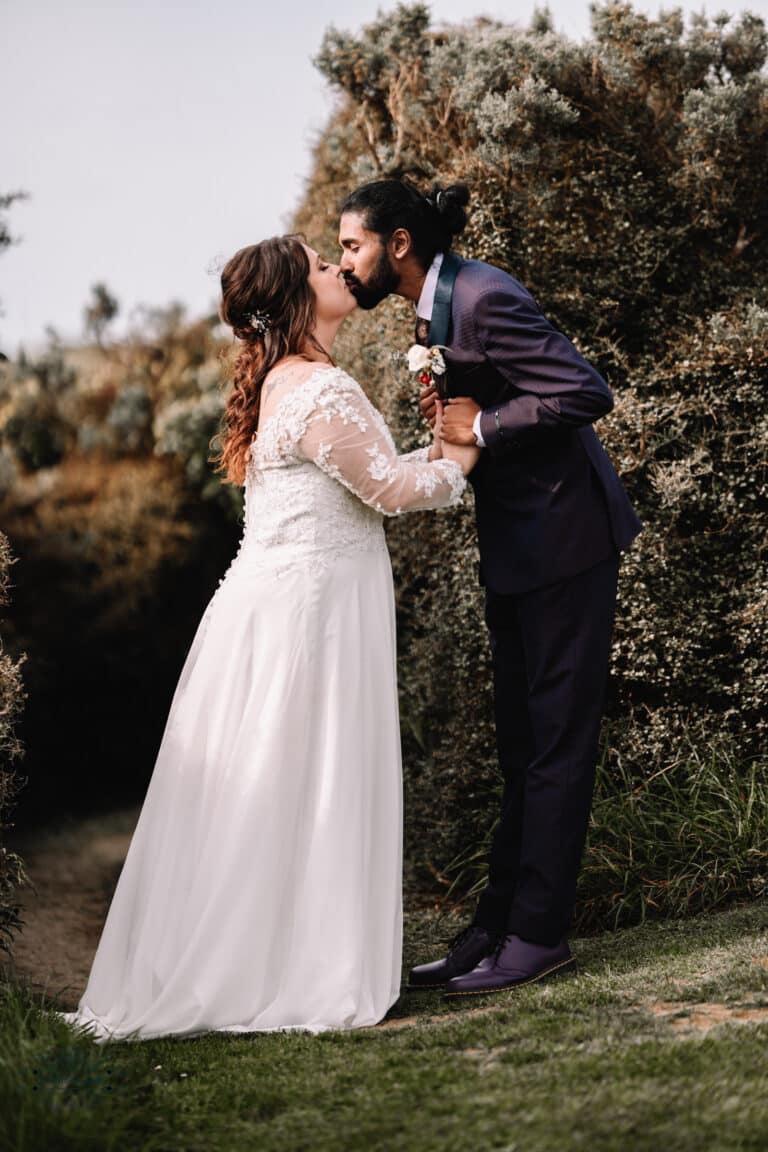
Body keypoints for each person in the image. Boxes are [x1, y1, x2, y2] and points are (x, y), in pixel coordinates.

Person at [57, 234, 477, 1042]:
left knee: (274, 782)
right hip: (310, 614)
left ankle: (267, 954)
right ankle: (293, 967)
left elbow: (365, 476)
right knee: (308, 773)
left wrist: (435, 445)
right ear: (294, 297)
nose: (338, 271)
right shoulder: (321, 387)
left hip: (271, 606)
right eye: (323, 266)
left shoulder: (287, 384)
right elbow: (388, 489)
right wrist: (465, 454)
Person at [338, 180, 642, 997]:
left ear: (397, 244)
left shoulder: (483, 295)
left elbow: (585, 390)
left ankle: (539, 936)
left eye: (351, 246)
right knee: (521, 749)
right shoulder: (434, 302)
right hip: (517, 546)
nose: (344, 262)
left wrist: (487, 428)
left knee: (555, 747)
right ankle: (492, 929)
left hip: (566, 541)